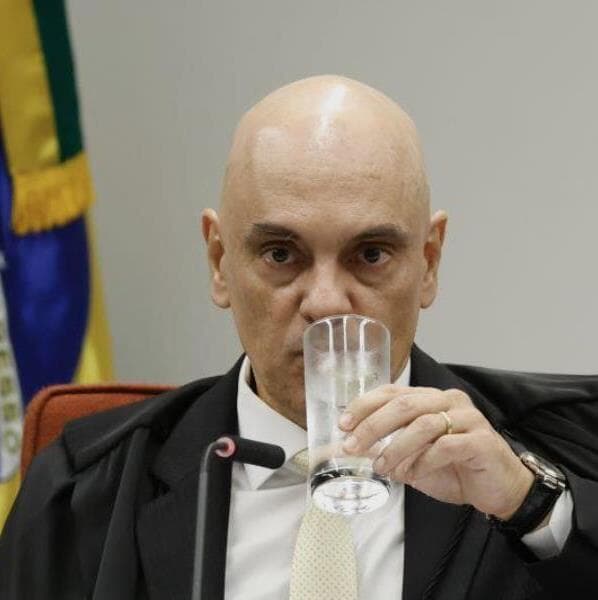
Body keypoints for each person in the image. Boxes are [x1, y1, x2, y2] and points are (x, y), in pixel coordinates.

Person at [1, 75, 597, 600]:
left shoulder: (561, 455)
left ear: (429, 263)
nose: (326, 302)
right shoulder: (85, 487)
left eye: (370, 254)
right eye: (281, 254)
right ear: (219, 262)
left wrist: (531, 508)